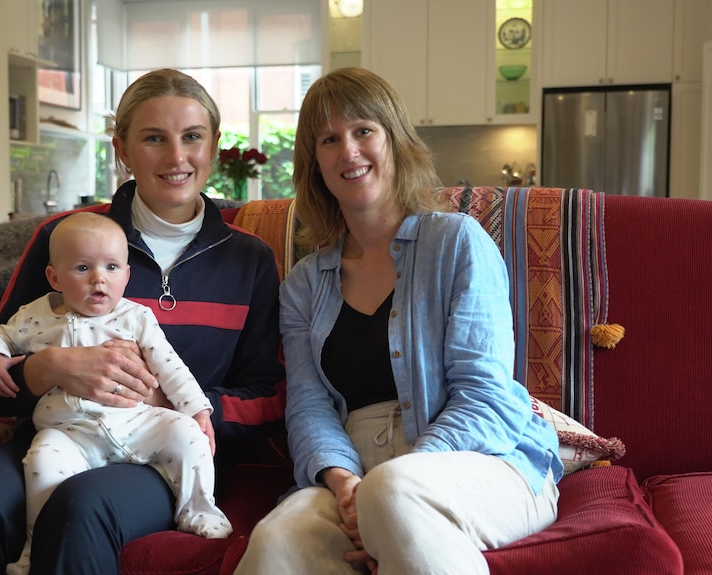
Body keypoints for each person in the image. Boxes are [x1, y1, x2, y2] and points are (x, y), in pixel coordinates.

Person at [0, 68, 286, 575]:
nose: (177, 157)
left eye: (193, 137)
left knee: (82, 507)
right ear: (122, 149)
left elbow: (270, 396)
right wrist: (48, 368)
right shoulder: (69, 238)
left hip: (164, 452)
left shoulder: (250, 259)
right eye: (154, 138)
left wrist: (173, 403)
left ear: (215, 146)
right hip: (62, 433)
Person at [234, 67, 563, 575]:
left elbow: (484, 391)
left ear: (395, 140)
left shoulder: (457, 242)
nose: (348, 151)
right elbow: (308, 406)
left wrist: (392, 486)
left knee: (392, 492)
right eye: (329, 139)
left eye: (364, 130)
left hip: (481, 458)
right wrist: (345, 486)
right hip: (356, 470)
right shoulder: (303, 284)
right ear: (314, 162)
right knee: (278, 539)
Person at [0, 212, 233, 574]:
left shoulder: (135, 318)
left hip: (137, 422)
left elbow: (171, 368)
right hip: (70, 433)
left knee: (189, 434)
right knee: (42, 462)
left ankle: (198, 509)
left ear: (126, 276)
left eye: (112, 267)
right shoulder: (35, 316)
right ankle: (35, 546)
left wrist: (198, 412)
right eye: (82, 268)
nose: (99, 278)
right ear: (54, 277)